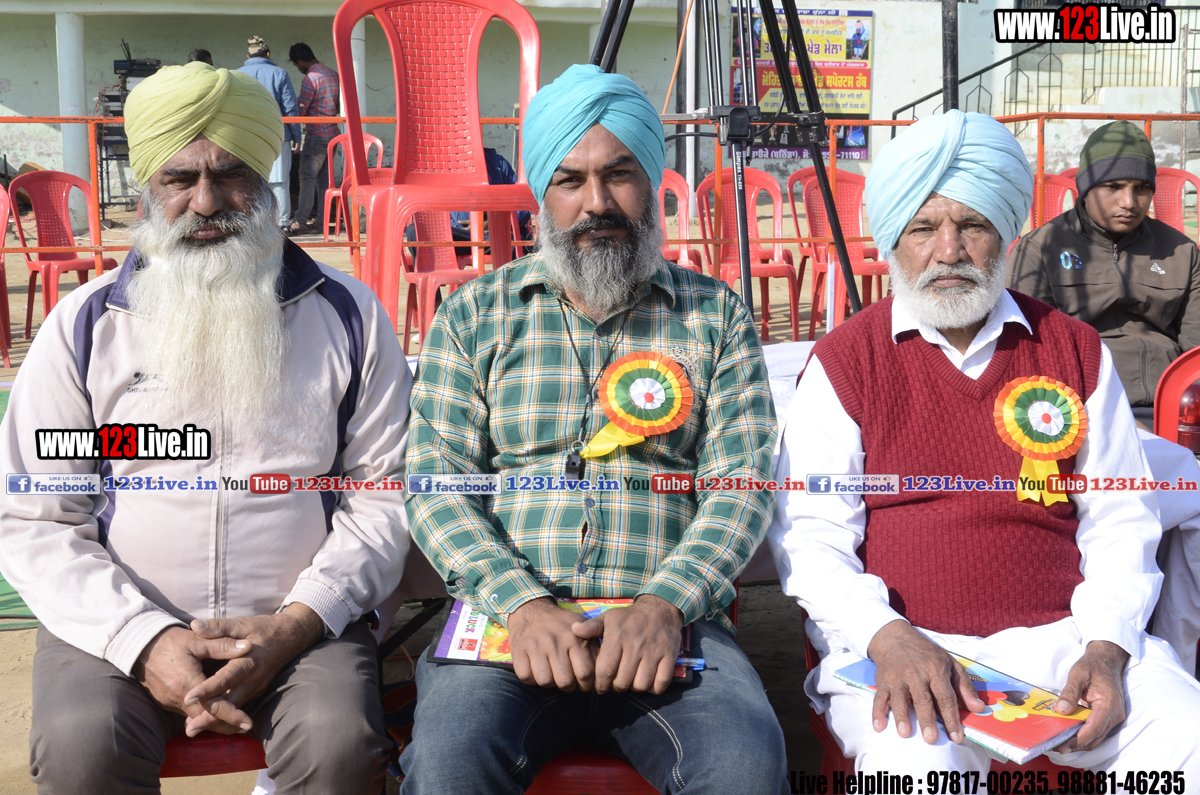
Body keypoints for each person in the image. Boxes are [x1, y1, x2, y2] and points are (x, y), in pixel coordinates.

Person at [0, 61, 412, 794]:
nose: (206, 201)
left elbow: (385, 494)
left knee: (340, 744)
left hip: (301, 627)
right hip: (115, 628)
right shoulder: (87, 327)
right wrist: (142, 637)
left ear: (266, 181)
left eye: (231, 175)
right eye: (179, 179)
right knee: (81, 747)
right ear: (147, 190)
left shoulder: (348, 317)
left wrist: (299, 621)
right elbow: (36, 512)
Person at [769, 109, 1200, 774]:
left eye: (971, 225)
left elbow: (1121, 516)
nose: (949, 251)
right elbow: (811, 537)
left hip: (1068, 645)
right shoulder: (846, 361)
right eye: (924, 228)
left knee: (1186, 736)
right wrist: (888, 638)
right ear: (893, 239)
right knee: (916, 772)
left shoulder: (1074, 348)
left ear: (1003, 231)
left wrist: (1107, 647)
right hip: (907, 651)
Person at [401, 63, 788, 794]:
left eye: (619, 175)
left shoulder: (715, 315)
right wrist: (522, 605)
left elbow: (740, 487)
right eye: (570, 180)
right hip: (509, 627)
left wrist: (664, 605)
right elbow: (435, 484)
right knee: (450, 761)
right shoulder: (476, 314)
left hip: (668, 625)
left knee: (744, 764)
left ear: (653, 181)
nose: (597, 203)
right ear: (542, 195)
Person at [1008, 121, 1200, 423]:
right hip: (1076, 411)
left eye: (1141, 188)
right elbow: (1028, 350)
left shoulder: (1181, 251)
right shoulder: (1039, 249)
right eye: (1113, 187)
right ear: (1086, 189)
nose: (1129, 202)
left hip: (1168, 408)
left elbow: (1195, 349)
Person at [239, 36, 300, 234]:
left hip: (247, 135)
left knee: (250, 178)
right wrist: (297, 136)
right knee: (280, 181)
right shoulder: (280, 73)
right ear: (268, 54)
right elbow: (290, 108)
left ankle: (254, 223)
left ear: (248, 56)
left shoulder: (237, 75)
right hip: (278, 134)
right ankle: (282, 223)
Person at [287, 42, 340, 235]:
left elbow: (302, 110)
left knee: (307, 178)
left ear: (300, 61)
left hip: (316, 134)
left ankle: (301, 220)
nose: (298, 68)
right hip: (333, 133)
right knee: (324, 181)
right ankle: (322, 221)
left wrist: (291, 107)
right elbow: (338, 107)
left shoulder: (310, 79)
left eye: (296, 65)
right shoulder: (332, 74)